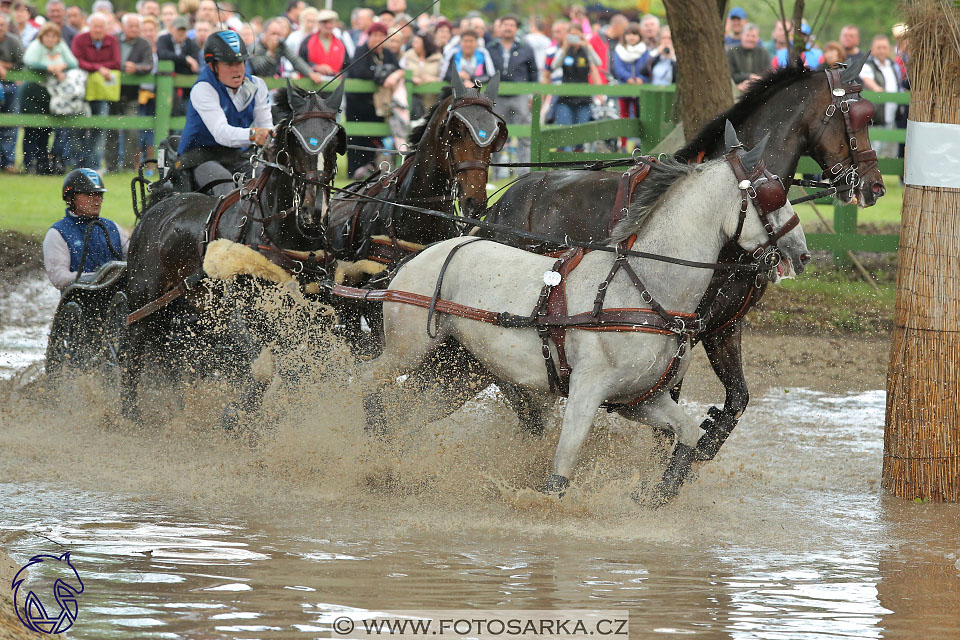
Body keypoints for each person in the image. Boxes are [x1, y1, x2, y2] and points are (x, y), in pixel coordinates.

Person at [177, 30, 273, 197]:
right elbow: (222, 133)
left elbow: (266, 127)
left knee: (269, 179)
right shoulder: (203, 88)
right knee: (224, 182)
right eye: (229, 64)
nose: (237, 70)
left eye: (240, 63)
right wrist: (254, 134)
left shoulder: (257, 85)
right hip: (200, 157)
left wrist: (272, 136)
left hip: (237, 156)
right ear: (212, 66)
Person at [44, 168, 129, 291]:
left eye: (99, 195)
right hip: (81, 302)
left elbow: (136, 262)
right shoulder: (57, 233)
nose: (96, 200)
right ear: (70, 199)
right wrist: (100, 277)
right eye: (89, 194)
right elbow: (59, 278)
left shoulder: (113, 227)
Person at [345, 21, 401, 179]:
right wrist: (384, 73)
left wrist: (394, 74)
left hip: (377, 105)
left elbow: (398, 68)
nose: (378, 38)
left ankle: (372, 167)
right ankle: (355, 170)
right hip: (358, 103)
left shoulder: (388, 53)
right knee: (357, 136)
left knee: (375, 138)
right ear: (369, 36)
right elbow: (360, 72)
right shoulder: (360, 51)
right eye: (375, 35)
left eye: (381, 35)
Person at [22, 21, 76, 173]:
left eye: (54, 36)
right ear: (42, 37)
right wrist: (48, 68)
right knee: (32, 128)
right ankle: (29, 163)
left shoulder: (61, 47)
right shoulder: (36, 46)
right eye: (48, 36)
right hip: (32, 91)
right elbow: (29, 61)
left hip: (51, 93)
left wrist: (62, 66)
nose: (50, 39)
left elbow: (73, 63)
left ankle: (43, 162)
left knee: (46, 128)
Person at [487, 14, 538, 174]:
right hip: (497, 96)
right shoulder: (490, 47)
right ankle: (495, 173)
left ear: (516, 29)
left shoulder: (525, 47)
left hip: (520, 96)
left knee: (524, 134)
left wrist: (531, 94)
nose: (508, 27)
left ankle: (524, 172)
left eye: (512, 25)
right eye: (505, 24)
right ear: (499, 27)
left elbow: (533, 72)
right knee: (494, 134)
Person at [71, 11, 120, 170]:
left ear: (106, 28)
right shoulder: (80, 39)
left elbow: (116, 62)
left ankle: (93, 163)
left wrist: (97, 68)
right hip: (80, 90)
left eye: (101, 27)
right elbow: (76, 61)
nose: (97, 30)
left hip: (101, 92)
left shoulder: (112, 40)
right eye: (95, 26)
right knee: (78, 127)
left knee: (100, 128)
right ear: (89, 26)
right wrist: (99, 68)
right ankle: (78, 163)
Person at [551, 21, 602, 143]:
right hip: (565, 98)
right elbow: (554, 66)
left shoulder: (585, 51)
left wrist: (587, 45)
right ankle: (563, 159)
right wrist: (564, 48)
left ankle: (580, 159)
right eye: (571, 35)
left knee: (581, 137)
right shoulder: (564, 50)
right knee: (564, 134)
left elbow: (598, 63)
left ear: (581, 35)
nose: (574, 38)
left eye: (576, 35)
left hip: (583, 98)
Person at [859, 33, 902, 158]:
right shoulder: (868, 65)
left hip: (891, 116)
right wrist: (878, 90)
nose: (882, 50)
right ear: (872, 49)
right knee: (873, 149)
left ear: (889, 49)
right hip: (875, 117)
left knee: (887, 151)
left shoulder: (892, 65)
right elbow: (868, 80)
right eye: (879, 47)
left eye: (884, 47)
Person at [249, 16, 320, 81]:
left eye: (279, 34)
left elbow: (295, 59)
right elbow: (261, 71)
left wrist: (310, 73)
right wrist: (271, 52)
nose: (276, 37)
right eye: (273, 34)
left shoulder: (280, 45)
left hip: (272, 85)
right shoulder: (255, 47)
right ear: (265, 33)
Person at [0, 11, 23, 173]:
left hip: (10, 87)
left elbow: (22, 63)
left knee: (10, 124)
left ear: (7, 26)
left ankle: (8, 162)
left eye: (2, 24)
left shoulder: (13, 41)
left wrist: (4, 65)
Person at [401, 30, 441, 117]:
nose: (413, 44)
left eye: (417, 42)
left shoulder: (438, 58)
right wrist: (410, 78)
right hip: (412, 101)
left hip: (432, 100)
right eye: (413, 42)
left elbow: (445, 76)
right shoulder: (407, 56)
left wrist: (435, 79)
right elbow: (400, 71)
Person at [298, 8, 346, 79]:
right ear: (318, 23)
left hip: (335, 84)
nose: (328, 25)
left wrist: (342, 74)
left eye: (331, 22)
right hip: (312, 83)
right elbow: (299, 62)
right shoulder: (308, 40)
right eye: (325, 22)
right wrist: (315, 67)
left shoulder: (340, 43)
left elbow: (347, 65)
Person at [727, 23, 770, 91]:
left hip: (758, 88)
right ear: (741, 36)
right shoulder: (732, 52)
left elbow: (768, 74)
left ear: (758, 38)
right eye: (747, 35)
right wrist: (749, 77)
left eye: (753, 36)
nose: (750, 39)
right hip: (736, 87)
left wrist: (754, 82)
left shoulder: (763, 52)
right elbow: (730, 75)